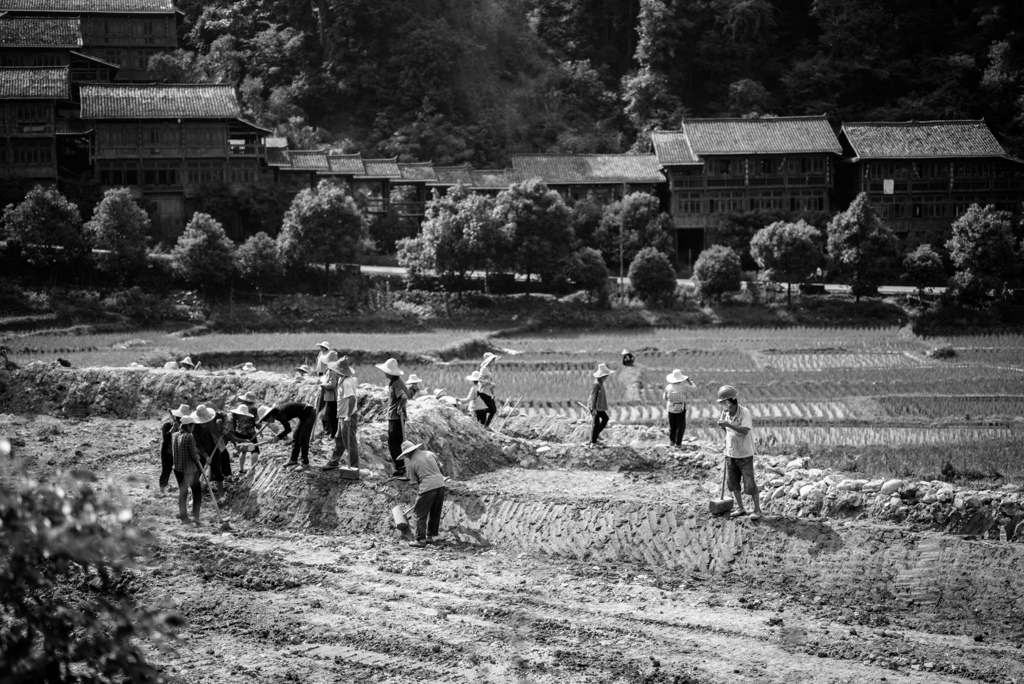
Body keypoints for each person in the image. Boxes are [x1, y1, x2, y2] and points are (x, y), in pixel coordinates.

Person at [717, 385, 762, 520]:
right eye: (722, 403)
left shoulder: (744, 412)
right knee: (733, 483)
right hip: (730, 453)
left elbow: (745, 430)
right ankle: (741, 508)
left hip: (745, 454)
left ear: (732, 401)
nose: (723, 405)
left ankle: (757, 510)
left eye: (725, 402)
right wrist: (725, 433)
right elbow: (726, 430)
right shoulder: (725, 413)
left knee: (749, 483)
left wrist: (728, 425)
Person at [399, 440, 448, 548]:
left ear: (407, 453)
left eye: (406, 455)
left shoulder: (411, 463)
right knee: (435, 512)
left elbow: (415, 483)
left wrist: (420, 496)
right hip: (441, 485)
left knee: (418, 513)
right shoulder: (430, 454)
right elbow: (442, 469)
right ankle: (430, 537)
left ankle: (420, 539)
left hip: (427, 488)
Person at [323, 356, 359, 472]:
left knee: (350, 442)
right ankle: (334, 462)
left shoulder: (347, 382)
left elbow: (352, 399)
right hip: (342, 415)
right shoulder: (341, 379)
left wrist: (348, 415)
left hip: (348, 416)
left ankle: (354, 467)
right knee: (339, 438)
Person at [376, 357, 409, 479]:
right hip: (395, 417)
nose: (384, 373)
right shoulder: (396, 382)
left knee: (393, 443)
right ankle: (401, 467)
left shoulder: (396, 384)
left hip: (395, 418)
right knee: (397, 442)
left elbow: (404, 397)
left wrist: (399, 408)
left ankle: (400, 468)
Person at [256, 402, 317, 468]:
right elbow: (278, 430)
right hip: (303, 415)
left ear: (270, 415)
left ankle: (305, 462)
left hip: (309, 413)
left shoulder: (279, 413)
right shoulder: (276, 414)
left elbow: (288, 429)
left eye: (267, 419)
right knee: (296, 436)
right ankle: (293, 459)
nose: (268, 421)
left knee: (303, 438)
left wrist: (278, 437)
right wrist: (278, 436)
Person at [171, 413, 204, 526]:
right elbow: (194, 456)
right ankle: (196, 517)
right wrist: (198, 457)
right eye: (193, 426)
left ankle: (184, 517)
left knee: (183, 492)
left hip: (177, 468)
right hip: (189, 470)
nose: (193, 428)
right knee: (197, 492)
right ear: (189, 426)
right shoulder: (189, 436)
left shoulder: (175, 435)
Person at [192, 404, 230, 493]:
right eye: (201, 422)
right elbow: (198, 444)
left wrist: (224, 427)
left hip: (214, 446)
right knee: (198, 472)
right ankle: (196, 493)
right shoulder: (194, 428)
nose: (204, 424)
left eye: (205, 422)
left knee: (217, 471)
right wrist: (205, 456)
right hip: (201, 451)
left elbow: (224, 415)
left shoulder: (213, 416)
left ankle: (221, 494)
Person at [160, 403, 190, 495]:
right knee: (166, 470)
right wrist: (173, 428)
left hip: (179, 452)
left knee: (181, 470)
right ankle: (162, 489)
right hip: (168, 452)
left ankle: (184, 488)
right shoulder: (167, 425)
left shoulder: (185, 426)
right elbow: (165, 438)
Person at [224, 394, 258, 474]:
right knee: (254, 451)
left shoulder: (239, 409)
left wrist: (236, 443)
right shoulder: (253, 409)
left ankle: (240, 470)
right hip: (250, 433)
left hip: (239, 433)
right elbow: (256, 421)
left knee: (242, 451)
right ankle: (252, 470)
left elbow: (232, 431)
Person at [663, 369, 696, 447]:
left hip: (671, 408)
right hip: (681, 408)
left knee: (672, 425)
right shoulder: (684, 387)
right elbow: (694, 389)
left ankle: (672, 441)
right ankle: (678, 443)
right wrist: (690, 382)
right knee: (681, 426)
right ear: (680, 379)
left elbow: (664, 398)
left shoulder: (668, 387)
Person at [587, 363, 614, 448]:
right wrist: (593, 408)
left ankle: (595, 435)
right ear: (603, 376)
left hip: (598, 406)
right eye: (606, 376)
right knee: (596, 422)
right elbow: (593, 396)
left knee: (605, 419)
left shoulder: (600, 383)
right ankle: (593, 441)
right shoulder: (597, 384)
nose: (607, 377)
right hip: (595, 407)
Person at [318, 350, 340, 439]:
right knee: (332, 415)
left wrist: (322, 385)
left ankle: (334, 433)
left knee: (332, 415)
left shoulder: (332, 371)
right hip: (331, 396)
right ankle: (334, 432)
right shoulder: (334, 370)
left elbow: (332, 385)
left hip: (332, 396)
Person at [477, 352, 499, 427]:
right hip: (484, 392)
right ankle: (480, 413)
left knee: (493, 410)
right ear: (489, 361)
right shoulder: (484, 369)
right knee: (493, 410)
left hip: (489, 392)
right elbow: (480, 379)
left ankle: (486, 424)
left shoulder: (490, 369)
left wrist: (492, 385)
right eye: (493, 360)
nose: (494, 361)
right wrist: (489, 383)